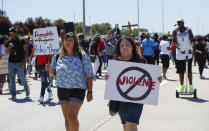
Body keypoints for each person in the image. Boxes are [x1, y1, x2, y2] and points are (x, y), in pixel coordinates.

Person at [105, 36, 161, 131]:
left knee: (131, 123)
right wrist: (107, 78)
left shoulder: (140, 60)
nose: (124, 47)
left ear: (132, 47)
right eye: (122, 45)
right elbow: (111, 82)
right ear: (118, 48)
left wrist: (157, 79)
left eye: (127, 44)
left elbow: (148, 78)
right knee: (125, 125)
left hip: (137, 99)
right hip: (120, 99)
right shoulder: (114, 62)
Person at [48, 32, 94, 131]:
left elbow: (89, 74)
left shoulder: (82, 55)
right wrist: (49, 70)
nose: (67, 42)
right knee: (67, 119)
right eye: (66, 40)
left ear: (75, 43)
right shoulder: (57, 56)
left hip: (77, 90)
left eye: (70, 40)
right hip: (62, 90)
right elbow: (52, 74)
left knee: (71, 116)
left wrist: (90, 92)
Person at [6, 27, 30, 99]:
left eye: (13, 33)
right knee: (12, 78)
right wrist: (9, 48)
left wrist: (24, 60)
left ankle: (26, 88)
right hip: (11, 62)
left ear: (16, 33)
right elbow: (6, 52)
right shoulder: (9, 41)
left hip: (20, 62)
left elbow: (26, 51)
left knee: (21, 77)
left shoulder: (21, 40)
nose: (11, 35)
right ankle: (13, 94)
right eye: (10, 34)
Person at [173, 18, 194, 92]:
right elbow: (175, 42)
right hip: (180, 53)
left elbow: (192, 40)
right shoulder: (175, 31)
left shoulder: (188, 30)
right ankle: (181, 86)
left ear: (183, 23)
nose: (179, 24)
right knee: (181, 71)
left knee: (189, 71)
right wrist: (180, 49)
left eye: (180, 23)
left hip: (188, 52)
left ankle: (191, 86)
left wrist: (191, 48)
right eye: (178, 23)